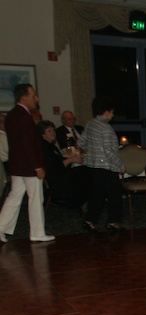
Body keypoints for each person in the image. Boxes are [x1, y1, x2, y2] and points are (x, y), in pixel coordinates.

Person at [0, 84, 54, 243]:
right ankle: (37, 232)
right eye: (33, 95)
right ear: (24, 97)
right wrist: (37, 166)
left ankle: (1, 227)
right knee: (36, 199)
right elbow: (28, 144)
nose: (36, 98)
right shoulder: (23, 116)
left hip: (17, 165)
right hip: (28, 166)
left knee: (15, 197)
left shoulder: (11, 115)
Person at [80, 96, 125, 232]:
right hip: (107, 166)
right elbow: (108, 151)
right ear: (106, 112)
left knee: (98, 193)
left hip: (93, 165)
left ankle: (89, 220)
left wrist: (92, 150)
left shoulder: (90, 124)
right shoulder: (106, 128)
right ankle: (113, 222)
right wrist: (120, 165)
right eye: (112, 111)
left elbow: (81, 142)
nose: (113, 114)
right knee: (115, 194)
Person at [38, 119, 87, 210]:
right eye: (49, 131)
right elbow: (55, 167)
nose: (53, 133)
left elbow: (59, 160)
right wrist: (72, 159)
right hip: (55, 180)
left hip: (60, 174)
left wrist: (73, 159)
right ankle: (78, 203)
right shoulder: (45, 148)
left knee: (83, 170)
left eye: (53, 130)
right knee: (83, 174)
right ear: (43, 134)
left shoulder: (51, 146)